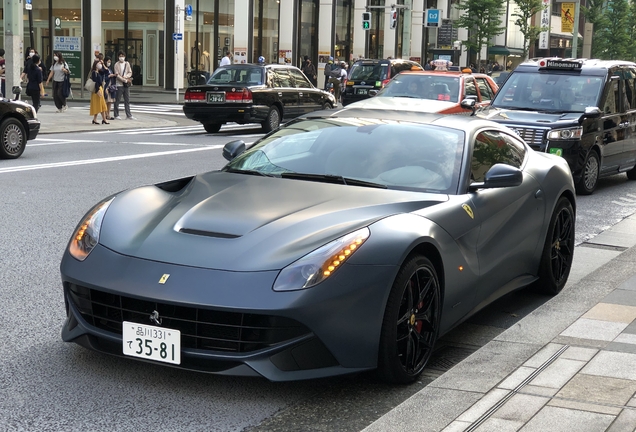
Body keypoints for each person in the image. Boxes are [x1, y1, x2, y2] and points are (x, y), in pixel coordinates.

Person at [113, 51, 135, 120]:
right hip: (119, 84)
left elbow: (130, 72)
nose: (121, 57)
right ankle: (116, 114)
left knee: (127, 100)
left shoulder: (127, 63)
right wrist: (124, 80)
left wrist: (126, 76)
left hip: (126, 85)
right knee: (117, 100)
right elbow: (117, 75)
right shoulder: (116, 64)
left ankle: (128, 115)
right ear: (118, 57)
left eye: (123, 56)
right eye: (120, 56)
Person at [89, 59, 109, 124]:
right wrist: (97, 91)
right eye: (99, 63)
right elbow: (95, 83)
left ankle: (98, 119)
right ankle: (103, 119)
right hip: (96, 91)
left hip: (100, 89)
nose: (100, 64)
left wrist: (103, 64)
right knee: (100, 105)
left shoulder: (99, 72)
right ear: (96, 65)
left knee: (101, 105)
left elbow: (106, 71)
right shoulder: (94, 72)